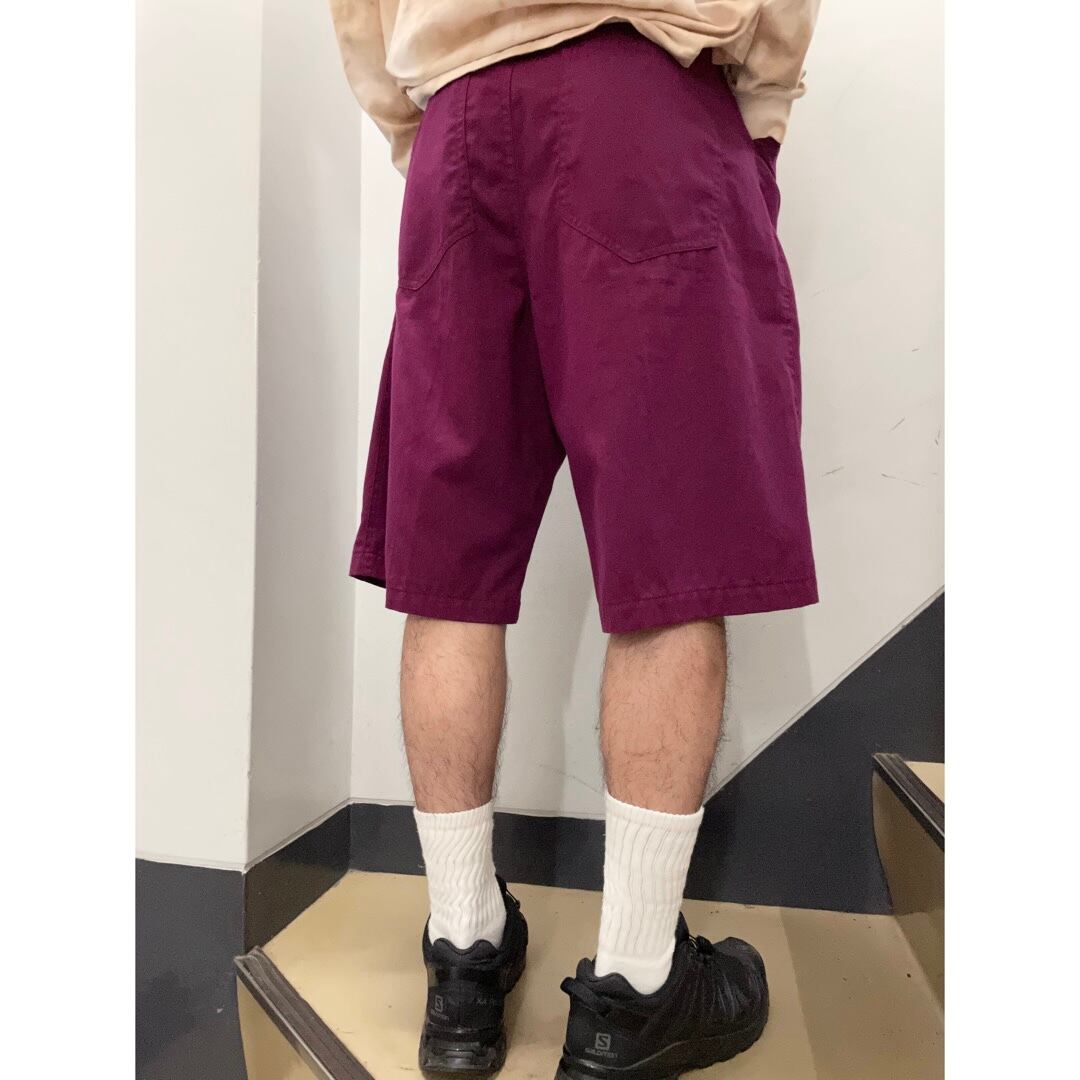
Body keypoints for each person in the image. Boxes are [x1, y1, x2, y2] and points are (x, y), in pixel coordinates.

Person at [330, 2, 821, 1076]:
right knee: (673, 563)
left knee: (450, 574)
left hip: (459, 117)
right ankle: (635, 993)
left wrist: (423, 121)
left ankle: (463, 960)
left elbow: (360, 12)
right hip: (640, 93)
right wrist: (760, 106)